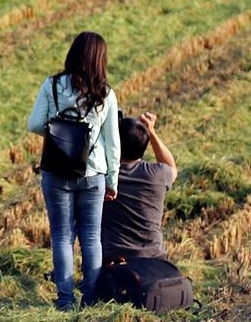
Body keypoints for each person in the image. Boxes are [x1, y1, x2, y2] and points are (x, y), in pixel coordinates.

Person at [28, 31, 121, 311]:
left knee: (60, 237)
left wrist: (60, 133)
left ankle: (65, 300)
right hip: (93, 176)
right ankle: (90, 299)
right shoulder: (105, 93)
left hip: (57, 172)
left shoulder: (52, 85)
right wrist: (112, 180)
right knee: (92, 238)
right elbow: (112, 143)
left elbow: (34, 124)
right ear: (100, 60)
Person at [101, 112, 177, 262]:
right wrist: (152, 132)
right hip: (154, 258)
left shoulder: (102, 175)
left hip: (114, 260)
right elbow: (171, 167)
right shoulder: (157, 174)